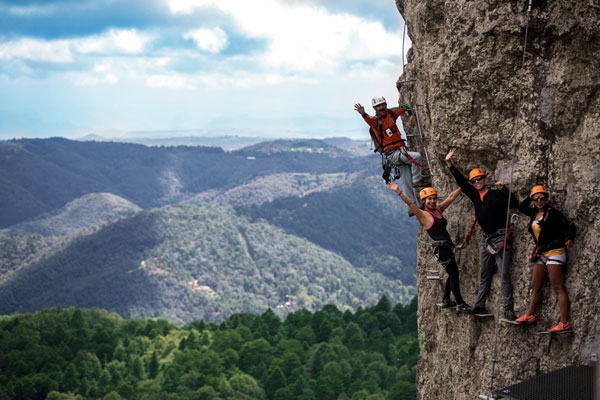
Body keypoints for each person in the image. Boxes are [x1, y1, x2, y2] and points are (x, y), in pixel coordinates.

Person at [445, 148, 519, 320]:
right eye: (475, 180)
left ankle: (508, 309)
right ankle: (480, 305)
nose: (478, 182)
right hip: (487, 239)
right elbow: (462, 182)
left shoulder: (496, 194)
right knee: (484, 273)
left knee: (504, 273)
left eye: (480, 179)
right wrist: (449, 164)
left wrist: (504, 190)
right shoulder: (474, 195)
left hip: (501, 237)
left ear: (485, 179)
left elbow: (514, 203)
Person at [388, 181, 472, 313]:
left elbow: (451, 197)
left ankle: (446, 300)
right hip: (441, 249)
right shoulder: (423, 215)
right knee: (454, 274)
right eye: (429, 199)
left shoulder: (438, 210)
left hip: (446, 247)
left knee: (452, 273)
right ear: (424, 201)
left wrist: (464, 185)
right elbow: (410, 204)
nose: (432, 201)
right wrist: (398, 191)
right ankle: (460, 303)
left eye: (434, 198)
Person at [516, 185, 575, 332]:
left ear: (547, 198)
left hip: (555, 251)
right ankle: (529, 315)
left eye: (542, 198)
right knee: (536, 286)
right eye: (536, 199)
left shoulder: (553, 213)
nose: (539, 201)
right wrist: (529, 196)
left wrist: (569, 238)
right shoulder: (533, 212)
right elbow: (521, 207)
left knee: (558, 287)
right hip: (542, 253)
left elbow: (569, 226)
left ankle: (564, 322)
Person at [354, 96, 428, 205]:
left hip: (401, 150)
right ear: (375, 108)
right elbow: (368, 119)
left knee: (406, 180)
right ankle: (417, 180)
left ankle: (411, 206)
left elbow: (405, 107)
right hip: (392, 154)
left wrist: (411, 115)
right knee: (416, 157)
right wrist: (363, 114)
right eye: (379, 106)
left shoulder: (392, 113)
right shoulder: (375, 122)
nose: (382, 107)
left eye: (383, 104)